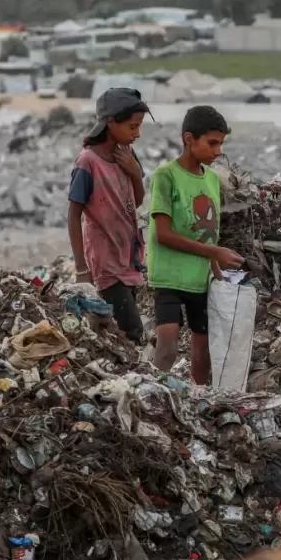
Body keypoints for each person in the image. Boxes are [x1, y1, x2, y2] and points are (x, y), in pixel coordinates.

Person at [147, 105, 244, 384]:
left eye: (221, 144)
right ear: (189, 138)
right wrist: (215, 252)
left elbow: (208, 234)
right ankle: (152, 397)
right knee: (167, 348)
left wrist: (218, 273)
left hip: (200, 281)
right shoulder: (166, 176)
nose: (217, 151)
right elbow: (162, 234)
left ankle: (199, 405)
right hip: (170, 277)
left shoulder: (212, 181)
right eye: (212, 143)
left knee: (202, 354)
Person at [68, 88, 150, 341]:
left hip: (129, 255)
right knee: (133, 331)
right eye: (132, 127)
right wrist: (81, 267)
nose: (137, 133)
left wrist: (135, 172)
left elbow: (135, 201)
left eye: (139, 127)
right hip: (105, 259)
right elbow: (73, 215)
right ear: (111, 122)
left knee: (122, 331)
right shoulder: (88, 161)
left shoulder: (127, 154)